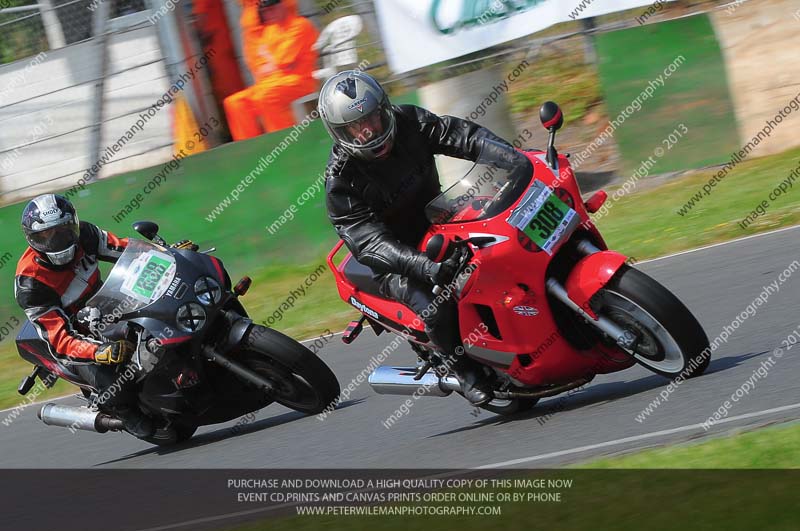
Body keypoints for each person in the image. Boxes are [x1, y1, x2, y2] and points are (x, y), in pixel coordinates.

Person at [319, 71, 510, 406]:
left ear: (384, 109)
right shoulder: (341, 181)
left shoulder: (410, 121)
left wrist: (511, 158)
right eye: (356, 127)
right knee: (434, 305)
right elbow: (369, 243)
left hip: (438, 218)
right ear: (339, 132)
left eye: (373, 119)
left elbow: (461, 136)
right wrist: (424, 266)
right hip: (394, 258)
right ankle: (464, 371)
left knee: (502, 243)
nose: (369, 131)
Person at [14, 194, 153, 436]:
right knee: (112, 382)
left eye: (63, 230)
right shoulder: (30, 283)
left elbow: (128, 250)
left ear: (74, 225)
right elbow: (60, 339)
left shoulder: (85, 234)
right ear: (32, 239)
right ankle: (127, 413)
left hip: (107, 304)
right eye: (47, 235)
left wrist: (166, 254)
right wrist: (98, 351)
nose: (57, 240)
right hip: (76, 333)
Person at [223, 0, 319, 140]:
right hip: (270, 83)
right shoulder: (270, 30)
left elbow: (283, 62)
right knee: (235, 103)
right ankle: (251, 149)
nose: (268, 13)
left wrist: (270, 59)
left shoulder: (300, 25)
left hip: (299, 82)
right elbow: (260, 67)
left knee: (267, 96)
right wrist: (272, 62)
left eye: (272, 8)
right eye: (265, 11)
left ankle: (285, 142)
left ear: (283, 5)